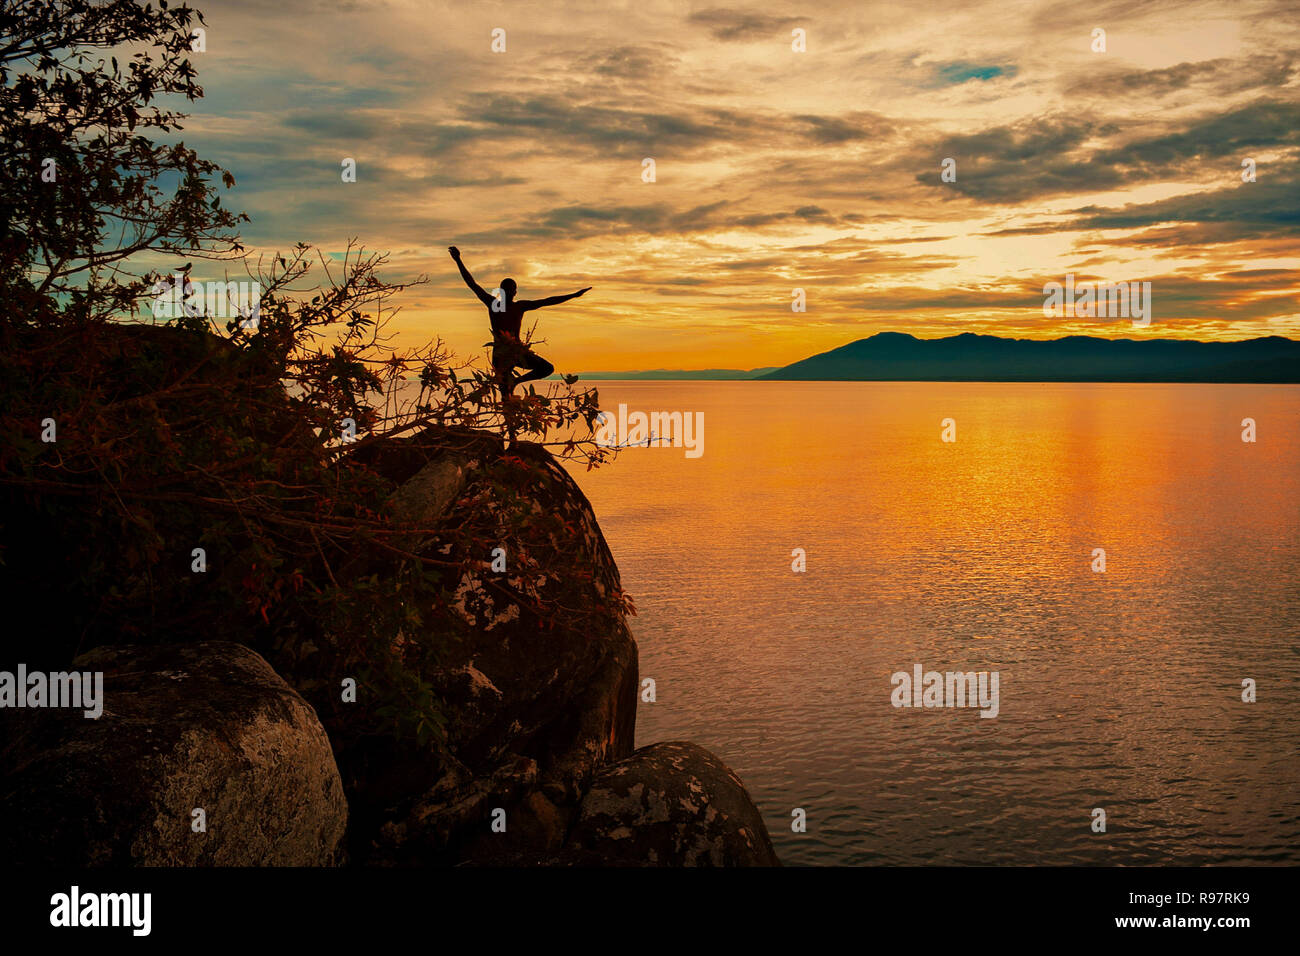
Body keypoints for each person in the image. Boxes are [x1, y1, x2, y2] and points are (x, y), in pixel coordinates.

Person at [448, 246, 590, 405]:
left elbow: (547, 301)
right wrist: (458, 260)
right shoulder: (495, 304)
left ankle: (515, 382)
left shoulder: (518, 306)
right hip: (501, 356)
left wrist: (574, 295)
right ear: (504, 292)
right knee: (506, 397)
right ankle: (509, 416)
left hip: (517, 353)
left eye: (510, 290)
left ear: (515, 292)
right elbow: (472, 283)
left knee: (547, 368)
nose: (509, 293)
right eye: (506, 290)